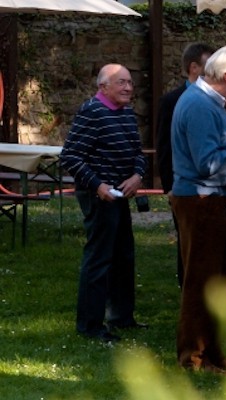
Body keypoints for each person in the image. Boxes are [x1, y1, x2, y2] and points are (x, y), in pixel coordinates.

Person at [170, 45, 226, 373]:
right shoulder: (200, 106)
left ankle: (212, 354)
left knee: (215, 281)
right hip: (201, 201)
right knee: (201, 283)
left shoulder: (206, 103)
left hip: (209, 200)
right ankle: (194, 357)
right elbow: (208, 163)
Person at [60, 63, 148, 343]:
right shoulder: (92, 112)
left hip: (121, 194)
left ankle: (122, 317)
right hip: (99, 195)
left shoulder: (126, 112)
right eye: (121, 82)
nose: (128, 88)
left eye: (130, 82)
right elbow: (70, 157)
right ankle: (90, 325)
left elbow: (137, 152)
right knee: (99, 259)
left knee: (124, 256)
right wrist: (98, 185)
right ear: (103, 86)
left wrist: (137, 175)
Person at [156, 42, 214, 287]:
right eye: (209, 66)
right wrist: (169, 187)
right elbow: (164, 147)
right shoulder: (172, 101)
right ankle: (187, 289)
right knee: (186, 240)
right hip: (183, 186)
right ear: (194, 68)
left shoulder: (217, 100)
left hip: (211, 189)